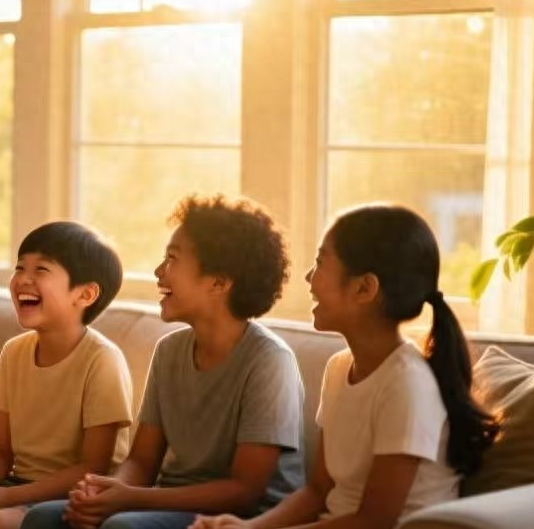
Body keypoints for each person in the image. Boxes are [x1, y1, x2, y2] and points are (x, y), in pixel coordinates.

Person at [192, 204, 499, 529]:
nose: (309, 278)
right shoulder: (339, 368)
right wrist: (248, 527)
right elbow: (318, 490)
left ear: (364, 288)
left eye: (321, 263)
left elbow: (374, 521)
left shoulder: (406, 384)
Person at [23, 193, 304, 529]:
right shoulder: (169, 351)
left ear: (219, 282)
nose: (159, 272)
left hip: (244, 516)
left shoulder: (269, 361)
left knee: (123, 527)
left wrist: (129, 499)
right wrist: (107, 492)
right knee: (43, 517)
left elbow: (243, 490)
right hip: (168, 500)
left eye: (172, 259)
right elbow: (142, 461)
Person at [0, 220, 134, 529]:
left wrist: (4, 498)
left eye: (41, 270)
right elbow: (0, 450)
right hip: (17, 484)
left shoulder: (102, 360)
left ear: (85, 294)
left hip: (73, 496)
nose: (23, 280)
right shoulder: (13, 351)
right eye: (20, 268)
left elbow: (94, 467)